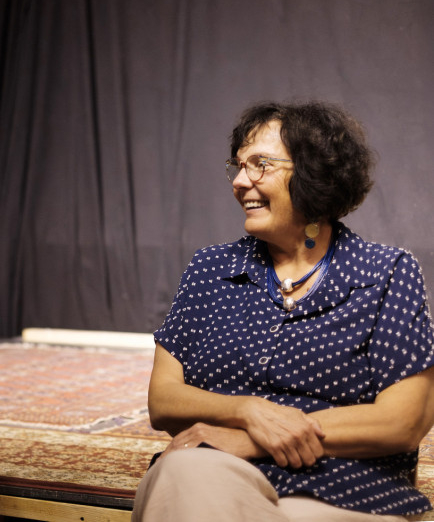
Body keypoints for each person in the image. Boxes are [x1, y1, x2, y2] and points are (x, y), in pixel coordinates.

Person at [131, 101, 434, 521]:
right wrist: (248, 411)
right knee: (181, 473)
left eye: (260, 165)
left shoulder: (385, 272)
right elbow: (164, 400)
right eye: (238, 166)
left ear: (313, 173)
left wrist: (257, 438)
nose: (241, 182)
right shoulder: (210, 269)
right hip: (218, 468)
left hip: (348, 485)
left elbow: (404, 421)